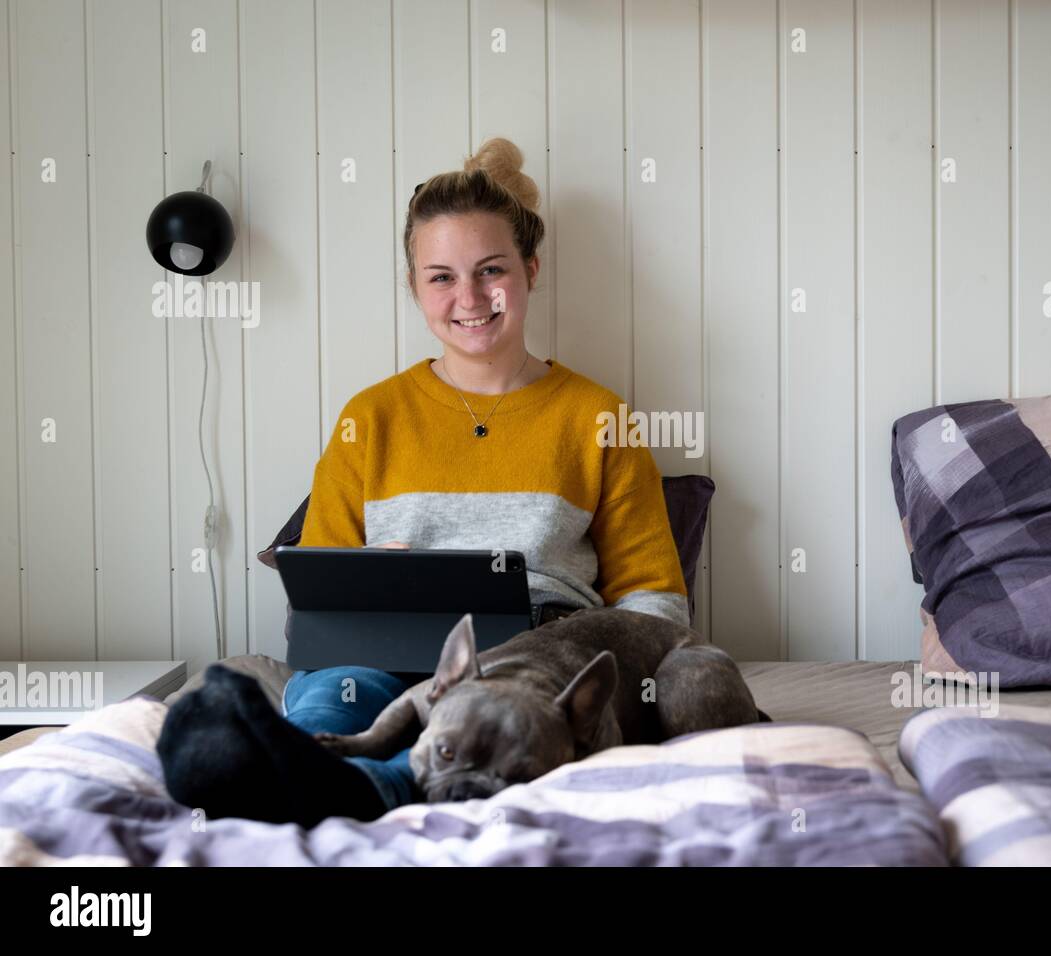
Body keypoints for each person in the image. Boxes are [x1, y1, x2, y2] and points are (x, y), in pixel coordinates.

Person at [158, 138, 690, 828]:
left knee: (475, 739)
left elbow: (659, 614)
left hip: (526, 659)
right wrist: (368, 582)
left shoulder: (597, 417)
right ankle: (290, 765)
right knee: (330, 708)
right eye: (441, 277)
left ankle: (328, 791)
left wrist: (569, 672)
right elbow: (314, 599)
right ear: (415, 287)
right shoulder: (371, 417)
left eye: (491, 270)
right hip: (377, 649)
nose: (468, 298)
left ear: (530, 269)